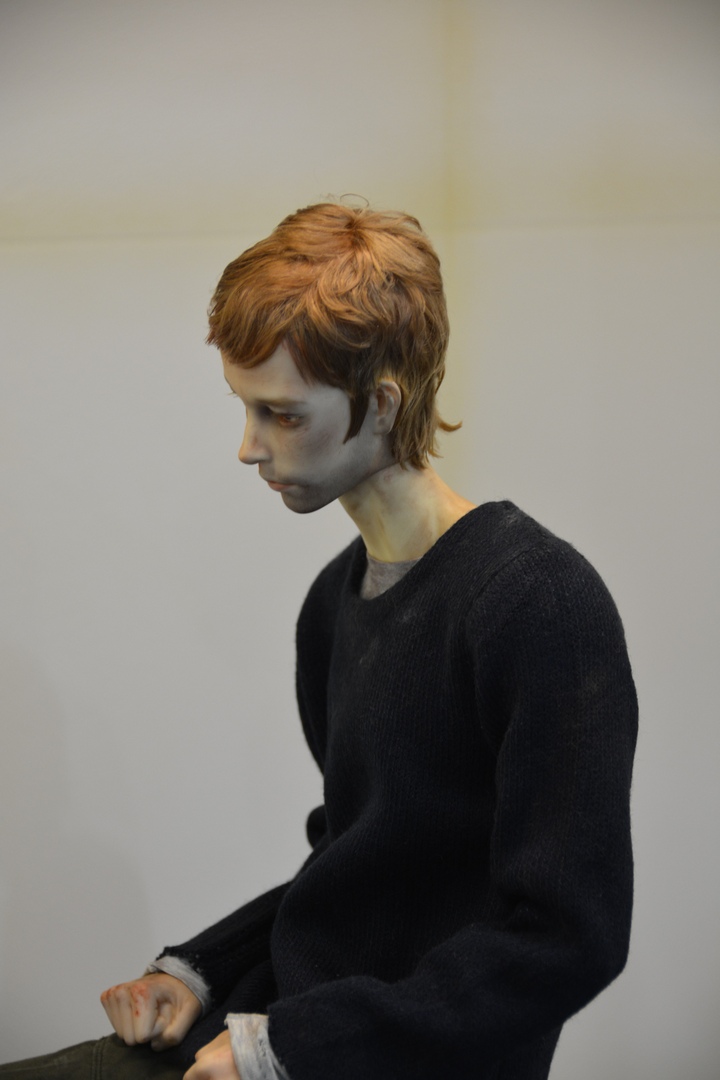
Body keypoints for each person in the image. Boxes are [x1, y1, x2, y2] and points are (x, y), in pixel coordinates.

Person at [0, 203, 638, 1080]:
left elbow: (566, 938)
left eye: (283, 415)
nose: (249, 447)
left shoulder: (539, 604)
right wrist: (198, 969)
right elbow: (351, 863)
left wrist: (288, 1051)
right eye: (245, 408)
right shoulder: (332, 606)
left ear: (382, 403)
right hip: (293, 1029)